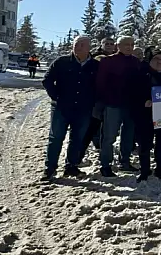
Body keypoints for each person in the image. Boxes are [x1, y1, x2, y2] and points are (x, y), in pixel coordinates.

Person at [40, 36, 98, 180]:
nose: (78, 47)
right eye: (76, 44)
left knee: (77, 139)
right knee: (56, 138)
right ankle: (50, 169)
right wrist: (56, 97)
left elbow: (100, 86)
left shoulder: (95, 66)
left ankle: (71, 167)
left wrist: (93, 101)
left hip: (83, 109)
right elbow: (47, 80)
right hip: (61, 108)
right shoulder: (62, 62)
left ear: (89, 48)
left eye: (82, 45)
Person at [96, 36, 141, 177]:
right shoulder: (108, 61)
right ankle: (105, 165)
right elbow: (100, 83)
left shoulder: (136, 62)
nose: (129, 47)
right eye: (126, 44)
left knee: (128, 135)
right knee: (109, 136)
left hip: (131, 105)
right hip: (113, 104)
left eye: (132, 44)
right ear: (118, 46)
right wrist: (102, 102)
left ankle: (125, 161)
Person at [133, 50, 161, 182]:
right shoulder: (140, 75)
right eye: (156, 59)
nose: (159, 61)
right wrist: (143, 101)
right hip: (145, 115)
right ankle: (144, 170)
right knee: (145, 144)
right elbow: (132, 93)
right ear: (150, 61)